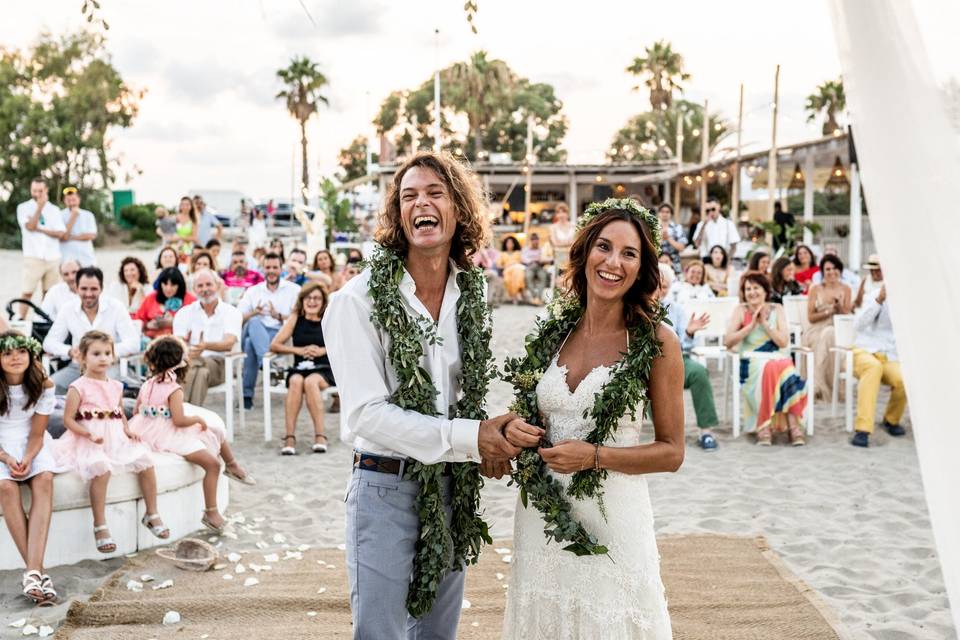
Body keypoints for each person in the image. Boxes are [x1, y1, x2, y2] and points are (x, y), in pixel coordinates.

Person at [323, 151, 523, 639]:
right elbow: (367, 415)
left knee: (437, 634)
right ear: (397, 215)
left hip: (452, 486)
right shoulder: (357, 301)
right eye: (408, 196)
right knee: (380, 633)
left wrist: (488, 439)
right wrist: (472, 438)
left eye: (435, 193)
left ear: (458, 210)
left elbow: (460, 398)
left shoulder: (469, 294)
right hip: (383, 486)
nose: (421, 203)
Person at [501, 200, 682, 638]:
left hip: (612, 517)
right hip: (543, 517)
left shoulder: (656, 341)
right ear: (584, 253)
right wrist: (510, 427)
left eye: (629, 253)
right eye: (604, 246)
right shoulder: (553, 332)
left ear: (643, 268)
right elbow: (534, 412)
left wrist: (595, 456)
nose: (613, 262)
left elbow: (672, 452)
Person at [52, 331, 168, 553]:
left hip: (115, 437)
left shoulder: (116, 385)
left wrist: (127, 429)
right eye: (96, 353)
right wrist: (87, 434)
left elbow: (118, 412)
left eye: (107, 353)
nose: (103, 358)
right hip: (88, 439)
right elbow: (68, 419)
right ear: (82, 357)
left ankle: (152, 513)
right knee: (101, 469)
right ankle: (100, 525)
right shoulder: (78, 386)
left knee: (145, 460)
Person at [128, 336, 253, 534]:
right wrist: (195, 418)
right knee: (212, 462)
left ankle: (232, 466)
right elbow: (178, 420)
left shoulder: (147, 384)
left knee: (214, 431)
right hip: (168, 434)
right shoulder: (173, 389)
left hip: (143, 429)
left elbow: (136, 412)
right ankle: (211, 511)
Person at [0, 332, 58, 604]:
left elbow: (37, 433)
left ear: (31, 354)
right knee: (6, 487)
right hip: (1, 445)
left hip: (30, 441)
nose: (15, 358)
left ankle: (32, 571)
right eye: (7, 353)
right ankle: (37, 572)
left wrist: (28, 456)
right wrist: (7, 458)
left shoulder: (43, 385)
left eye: (21, 352)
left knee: (45, 477)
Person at [724, 273, 808, 445]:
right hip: (750, 361)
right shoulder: (741, 310)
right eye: (748, 289)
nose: (752, 292)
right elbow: (728, 341)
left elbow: (783, 342)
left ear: (765, 291)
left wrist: (765, 324)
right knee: (772, 367)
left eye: (756, 288)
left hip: (776, 357)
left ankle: (793, 425)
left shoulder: (777, 309)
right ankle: (765, 426)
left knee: (785, 366)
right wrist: (751, 326)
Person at [43, 267, 139, 394]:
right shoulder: (68, 309)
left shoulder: (116, 307)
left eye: (93, 289)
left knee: (101, 390)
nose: (88, 294)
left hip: (108, 366)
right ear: (76, 288)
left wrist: (104, 353)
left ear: (101, 288)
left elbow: (134, 343)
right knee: (48, 389)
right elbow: (49, 342)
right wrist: (69, 351)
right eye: (84, 289)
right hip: (78, 367)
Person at [657, 264, 720, 451]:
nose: (659, 290)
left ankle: (706, 431)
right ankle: (664, 433)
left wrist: (689, 333)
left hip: (677, 359)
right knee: (652, 380)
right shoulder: (636, 307)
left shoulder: (676, 309)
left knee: (699, 373)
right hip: (649, 363)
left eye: (664, 286)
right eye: (655, 284)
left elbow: (686, 344)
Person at [269, 282, 335, 455]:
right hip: (299, 367)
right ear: (302, 300)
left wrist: (323, 350)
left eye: (317, 298)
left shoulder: (328, 318)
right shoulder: (295, 318)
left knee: (311, 382)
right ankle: (289, 437)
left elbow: (343, 344)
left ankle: (320, 435)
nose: (312, 301)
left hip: (324, 368)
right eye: (308, 297)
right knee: (296, 381)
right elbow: (274, 345)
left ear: (322, 302)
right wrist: (297, 350)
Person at [850, 263, 906, 447]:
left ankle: (891, 419)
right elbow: (858, 324)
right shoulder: (873, 296)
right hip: (864, 350)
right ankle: (863, 430)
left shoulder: (907, 302)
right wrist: (878, 301)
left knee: (905, 378)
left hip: (889, 355)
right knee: (873, 369)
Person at [238, 253, 300, 409]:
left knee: (249, 343)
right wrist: (254, 312)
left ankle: (247, 397)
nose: (271, 271)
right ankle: (268, 364)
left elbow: (299, 318)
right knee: (253, 322)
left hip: (279, 333)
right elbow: (238, 317)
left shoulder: (294, 290)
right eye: (268, 267)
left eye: (275, 267)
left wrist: (278, 316)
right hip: (257, 329)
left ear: (281, 269)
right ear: (262, 269)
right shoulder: (253, 291)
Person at [172, 270, 242, 405]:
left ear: (217, 285)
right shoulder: (184, 313)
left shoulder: (231, 312)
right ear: (194, 289)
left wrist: (205, 346)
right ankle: (192, 415)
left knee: (189, 366)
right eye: (200, 286)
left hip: (220, 364)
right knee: (200, 373)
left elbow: (228, 343)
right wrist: (187, 349)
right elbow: (178, 343)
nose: (205, 289)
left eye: (209, 284)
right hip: (192, 363)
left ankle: (181, 411)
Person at [803, 255, 852, 401]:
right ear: (823, 272)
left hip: (838, 328)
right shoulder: (815, 289)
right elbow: (810, 317)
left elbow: (847, 315)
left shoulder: (846, 289)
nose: (831, 272)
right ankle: (818, 385)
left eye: (835, 268)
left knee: (830, 334)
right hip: (817, 328)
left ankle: (820, 385)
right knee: (825, 335)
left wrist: (839, 308)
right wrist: (828, 311)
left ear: (840, 270)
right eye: (828, 269)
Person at [17, 178, 65, 319]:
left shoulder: (55, 210)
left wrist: (40, 229)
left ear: (46, 190)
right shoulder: (23, 207)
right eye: (34, 190)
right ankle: (21, 319)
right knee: (27, 291)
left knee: (49, 292)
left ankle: (43, 320)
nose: (37, 194)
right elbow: (30, 226)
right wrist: (39, 207)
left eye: (40, 191)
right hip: (33, 256)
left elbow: (60, 233)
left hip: (53, 257)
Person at [134, 268, 196, 340]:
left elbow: (196, 324)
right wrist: (147, 325)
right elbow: (137, 321)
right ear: (160, 284)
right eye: (165, 284)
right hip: (150, 341)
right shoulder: (150, 298)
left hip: (178, 342)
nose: (168, 288)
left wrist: (173, 322)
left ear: (180, 285)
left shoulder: (190, 300)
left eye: (173, 285)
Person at [59, 186, 97, 266]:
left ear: (79, 200)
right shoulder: (59, 215)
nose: (71, 203)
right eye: (68, 200)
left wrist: (71, 237)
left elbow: (91, 235)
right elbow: (62, 237)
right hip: (67, 259)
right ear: (64, 201)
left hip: (86, 259)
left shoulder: (88, 215)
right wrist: (73, 217)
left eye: (74, 200)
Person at [521, 232, 551, 305]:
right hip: (530, 267)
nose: (535, 242)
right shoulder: (526, 250)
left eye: (536, 240)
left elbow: (544, 258)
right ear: (531, 241)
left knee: (543, 277)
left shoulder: (542, 249)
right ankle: (535, 297)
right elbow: (523, 259)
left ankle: (538, 298)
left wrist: (539, 260)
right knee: (528, 277)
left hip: (540, 267)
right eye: (533, 240)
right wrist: (533, 260)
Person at [657, 203, 687, 274]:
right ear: (659, 213)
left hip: (675, 264)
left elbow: (682, 247)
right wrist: (661, 239)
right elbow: (651, 248)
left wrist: (668, 238)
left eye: (667, 212)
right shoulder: (653, 228)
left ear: (671, 214)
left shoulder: (678, 228)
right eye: (662, 211)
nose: (665, 214)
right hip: (657, 264)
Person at [472, 239, 504, 307]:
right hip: (472, 272)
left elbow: (489, 265)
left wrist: (484, 254)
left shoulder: (482, 252)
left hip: (480, 272)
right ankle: (490, 300)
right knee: (493, 274)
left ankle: (489, 300)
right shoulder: (472, 251)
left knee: (494, 275)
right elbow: (473, 265)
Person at [548, 203, 576, 273]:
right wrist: (569, 243)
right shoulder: (553, 227)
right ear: (556, 215)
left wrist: (562, 243)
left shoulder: (573, 225)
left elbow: (576, 241)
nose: (561, 215)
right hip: (559, 255)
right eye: (559, 213)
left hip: (573, 254)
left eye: (563, 212)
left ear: (567, 214)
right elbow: (555, 243)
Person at [498, 235, 525, 304]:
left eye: (511, 243)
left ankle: (515, 296)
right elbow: (499, 265)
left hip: (518, 269)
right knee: (509, 277)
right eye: (508, 243)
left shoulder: (518, 253)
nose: (509, 244)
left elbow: (522, 262)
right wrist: (507, 265)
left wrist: (514, 264)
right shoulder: (502, 254)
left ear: (514, 244)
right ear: (505, 244)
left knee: (517, 271)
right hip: (507, 270)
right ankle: (517, 294)